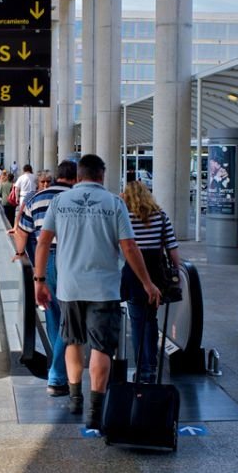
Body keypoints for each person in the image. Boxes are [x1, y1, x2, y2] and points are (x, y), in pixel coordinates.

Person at [35, 154, 160, 432]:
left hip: (69, 286)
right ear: (101, 175)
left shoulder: (59, 201)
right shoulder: (114, 203)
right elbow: (129, 247)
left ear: (79, 176)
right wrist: (147, 283)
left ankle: (75, 398)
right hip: (104, 288)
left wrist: (39, 280)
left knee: (73, 341)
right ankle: (95, 408)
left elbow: (43, 243)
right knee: (102, 346)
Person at [14, 162, 76, 397]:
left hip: (45, 259)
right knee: (70, 318)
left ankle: (57, 367)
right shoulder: (74, 197)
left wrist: (20, 255)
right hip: (70, 257)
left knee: (53, 314)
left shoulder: (36, 199)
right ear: (76, 178)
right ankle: (57, 374)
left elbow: (22, 232)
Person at [121, 180, 181, 383]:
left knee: (137, 322)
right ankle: (152, 365)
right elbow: (172, 246)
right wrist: (177, 272)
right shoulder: (160, 215)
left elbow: (123, 245)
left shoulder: (125, 216)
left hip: (134, 270)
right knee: (151, 319)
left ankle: (143, 368)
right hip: (156, 271)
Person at [12, 164, 37, 231]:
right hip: (34, 196)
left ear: (24, 170)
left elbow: (16, 188)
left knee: (22, 212)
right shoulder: (35, 177)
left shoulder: (21, 177)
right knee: (33, 212)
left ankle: (23, 227)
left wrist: (17, 198)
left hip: (23, 197)